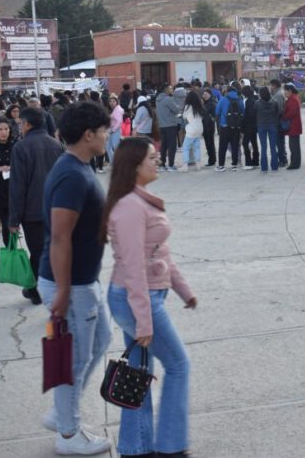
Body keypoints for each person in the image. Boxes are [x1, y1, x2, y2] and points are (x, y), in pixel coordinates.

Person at [105, 137, 197, 458]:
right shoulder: (130, 206)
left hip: (142, 296)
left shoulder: (139, 201)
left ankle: (136, 447)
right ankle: (170, 446)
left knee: (139, 371)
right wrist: (143, 319)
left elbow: (160, 255)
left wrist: (183, 290)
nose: (157, 162)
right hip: (135, 298)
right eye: (152, 158)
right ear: (134, 166)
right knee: (178, 365)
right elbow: (133, 266)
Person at [36, 102, 113, 455]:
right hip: (72, 283)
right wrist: (63, 291)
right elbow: (61, 236)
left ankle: (60, 411)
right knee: (74, 358)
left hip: (84, 279)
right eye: (104, 130)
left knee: (99, 342)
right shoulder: (70, 174)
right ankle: (69, 434)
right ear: (88, 134)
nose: (107, 135)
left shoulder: (78, 168)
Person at [9, 107, 65, 305]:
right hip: (56, 209)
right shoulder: (56, 145)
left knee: (38, 253)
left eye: (21, 124)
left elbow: (18, 185)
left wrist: (13, 218)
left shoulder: (21, 147)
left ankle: (37, 290)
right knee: (52, 250)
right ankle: (48, 288)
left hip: (32, 212)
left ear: (27, 124)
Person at [214, 85, 244, 172]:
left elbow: (217, 111)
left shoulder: (223, 99)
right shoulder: (239, 99)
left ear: (227, 91)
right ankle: (234, 164)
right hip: (236, 126)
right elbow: (242, 112)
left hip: (225, 126)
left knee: (222, 146)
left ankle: (221, 165)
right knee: (235, 145)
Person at [155, 85, 181, 172]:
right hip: (170, 125)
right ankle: (171, 165)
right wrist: (178, 106)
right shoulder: (168, 99)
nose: (172, 90)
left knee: (164, 146)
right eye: (170, 88)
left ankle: (162, 165)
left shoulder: (158, 100)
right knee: (172, 146)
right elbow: (176, 110)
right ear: (166, 90)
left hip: (162, 125)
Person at [255, 86, 280, 172]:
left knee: (263, 147)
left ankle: (264, 167)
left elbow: (255, 114)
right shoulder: (274, 102)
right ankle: (274, 166)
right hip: (272, 125)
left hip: (261, 126)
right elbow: (278, 114)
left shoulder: (257, 103)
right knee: (273, 147)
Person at [178, 90, 204, 172]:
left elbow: (184, 116)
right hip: (199, 128)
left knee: (186, 147)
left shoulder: (188, 106)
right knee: (197, 147)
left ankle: (185, 165)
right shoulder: (200, 106)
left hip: (191, 129)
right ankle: (198, 164)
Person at [283, 83, 303, 169]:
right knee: (294, 146)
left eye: (285, 91)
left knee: (294, 146)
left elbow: (292, 113)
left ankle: (294, 164)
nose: (284, 92)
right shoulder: (293, 98)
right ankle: (295, 163)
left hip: (293, 126)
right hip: (294, 125)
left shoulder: (293, 99)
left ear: (290, 91)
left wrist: (283, 116)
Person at [241, 85, 259, 170]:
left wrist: (243, 123)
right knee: (254, 143)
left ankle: (248, 162)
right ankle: (255, 160)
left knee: (245, 143)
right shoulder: (255, 99)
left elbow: (249, 114)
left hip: (249, 126)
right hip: (254, 125)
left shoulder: (249, 101)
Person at [107, 95, 124, 166]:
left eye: (113, 101)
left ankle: (119, 163)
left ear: (117, 102)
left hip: (115, 130)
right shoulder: (114, 109)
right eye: (110, 101)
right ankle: (114, 163)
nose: (111, 103)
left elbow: (119, 121)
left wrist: (113, 130)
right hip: (111, 130)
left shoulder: (117, 109)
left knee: (115, 147)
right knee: (108, 147)